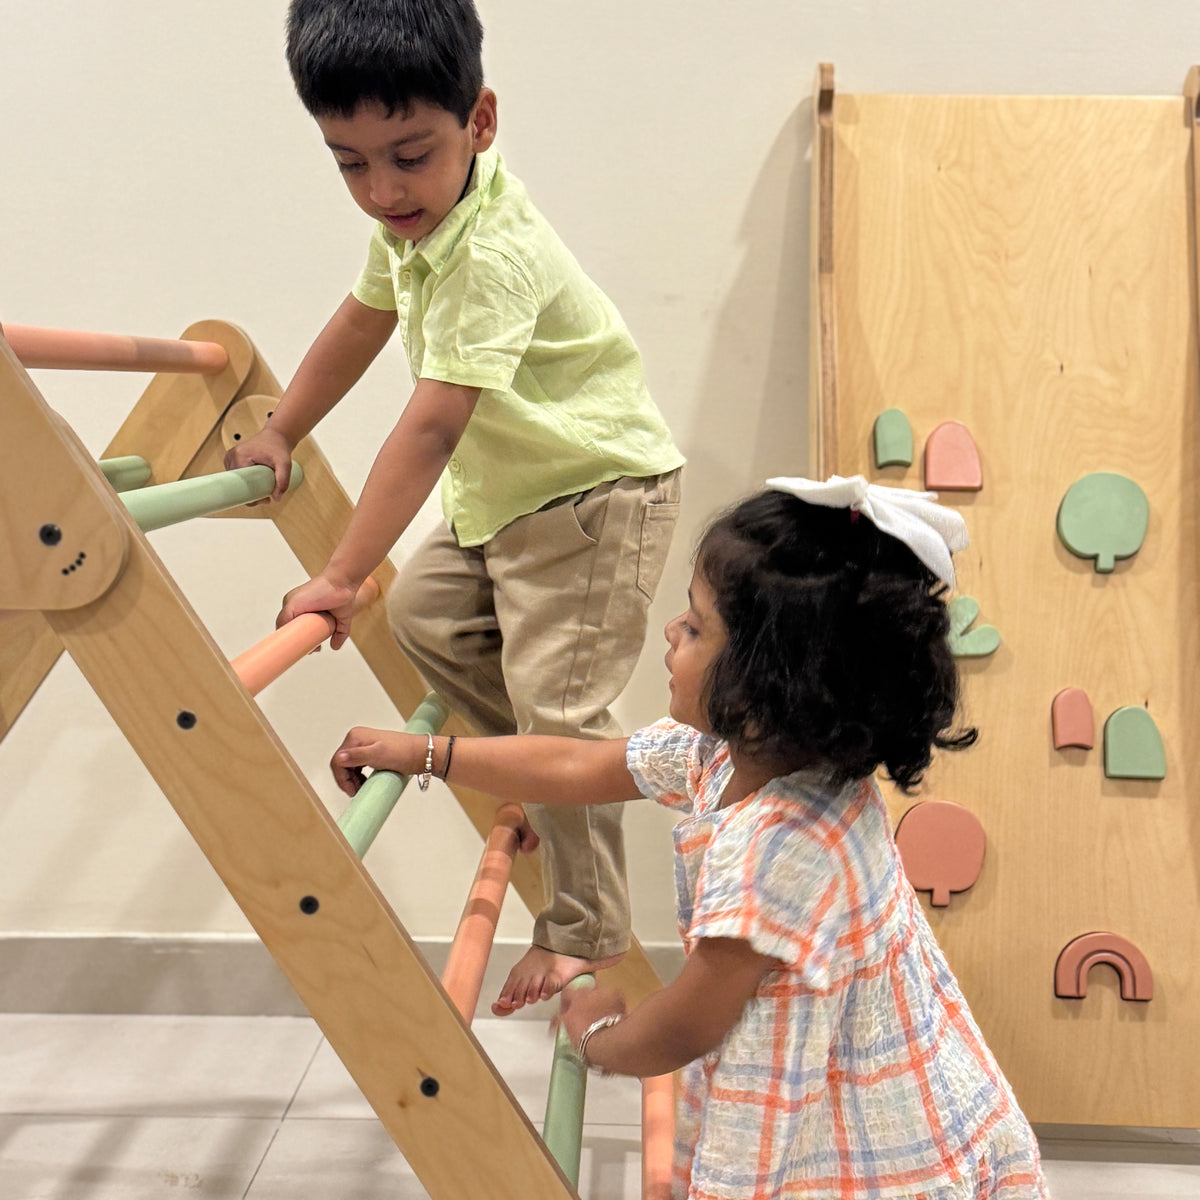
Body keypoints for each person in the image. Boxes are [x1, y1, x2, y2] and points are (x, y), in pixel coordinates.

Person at [330, 476, 1049, 1199]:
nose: (672, 631)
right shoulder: (735, 754)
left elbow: (687, 1027)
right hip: (848, 1073)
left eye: (698, 627)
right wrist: (425, 754)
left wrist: (596, 1036)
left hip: (855, 1138)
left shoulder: (780, 844)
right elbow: (579, 762)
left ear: (775, 682)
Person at [225, 0, 684, 1013]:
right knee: (427, 612)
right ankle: (532, 773)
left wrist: (339, 576)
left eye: (408, 154)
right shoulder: (418, 225)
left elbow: (429, 428)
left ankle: (586, 929)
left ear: (479, 121)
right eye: (350, 163)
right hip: (509, 500)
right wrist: (281, 430)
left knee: (563, 706)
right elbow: (358, 321)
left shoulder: (488, 254)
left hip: (596, 497)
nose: (384, 189)